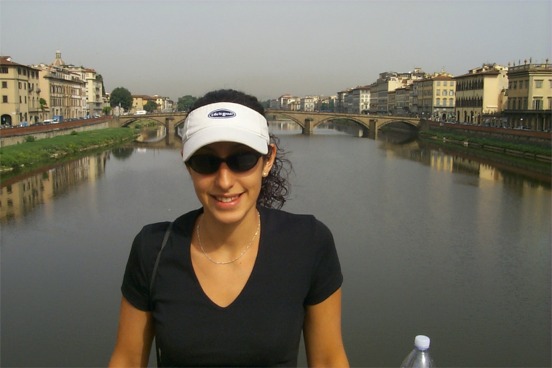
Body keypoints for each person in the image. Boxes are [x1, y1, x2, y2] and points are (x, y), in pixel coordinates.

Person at [109, 89, 349, 367]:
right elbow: (126, 359)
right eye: (206, 162)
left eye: (242, 159)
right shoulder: (153, 248)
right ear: (187, 164)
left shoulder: (308, 243)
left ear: (267, 160)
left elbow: (329, 360)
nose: (224, 181)